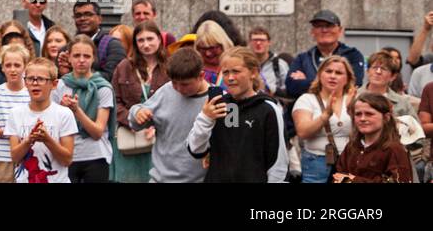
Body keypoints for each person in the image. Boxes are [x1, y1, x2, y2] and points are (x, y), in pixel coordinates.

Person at [187, 47, 280, 183]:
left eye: (236, 71)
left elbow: (278, 162)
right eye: (225, 73)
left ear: (253, 72)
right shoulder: (216, 106)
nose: (230, 78)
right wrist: (205, 118)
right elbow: (195, 149)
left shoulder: (268, 109)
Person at [127, 47, 210, 184]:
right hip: (161, 178)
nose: (178, 89)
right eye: (174, 82)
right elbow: (136, 119)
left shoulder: (214, 100)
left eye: (184, 84)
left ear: (201, 76)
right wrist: (137, 113)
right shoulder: (166, 91)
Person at [111, 20, 167, 183]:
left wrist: (155, 125)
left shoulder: (169, 67)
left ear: (159, 39)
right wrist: (132, 120)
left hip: (160, 138)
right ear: (135, 43)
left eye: (150, 39)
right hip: (130, 136)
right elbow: (115, 102)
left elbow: (176, 102)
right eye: (141, 40)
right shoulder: (124, 67)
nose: (146, 44)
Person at [6, 56, 77, 183]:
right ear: (25, 82)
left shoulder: (64, 114)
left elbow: (67, 160)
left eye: (41, 79)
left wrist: (47, 140)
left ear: (54, 84)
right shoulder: (15, 114)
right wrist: (29, 140)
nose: (35, 83)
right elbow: (15, 157)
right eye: (30, 79)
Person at [54, 35, 114, 183]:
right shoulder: (60, 85)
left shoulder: (103, 87)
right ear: (69, 58)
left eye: (86, 56)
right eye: (76, 55)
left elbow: (97, 132)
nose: (81, 60)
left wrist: (76, 110)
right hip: (67, 155)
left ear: (94, 58)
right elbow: (53, 125)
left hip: (96, 156)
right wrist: (61, 110)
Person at [357, 50, 425, 179]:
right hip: (361, 159)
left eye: (384, 69)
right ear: (367, 71)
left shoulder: (402, 102)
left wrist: (399, 128)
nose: (378, 72)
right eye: (374, 67)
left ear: (393, 76)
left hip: (395, 160)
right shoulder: (354, 97)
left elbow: (417, 134)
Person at [293, 54, 356, 183]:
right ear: (320, 75)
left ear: (347, 79)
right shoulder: (307, 99)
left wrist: (352, 111)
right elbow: (302, 132)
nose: (333, 76)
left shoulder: (353, 99)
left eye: (338, 73)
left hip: (349, 162)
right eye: (328, 71)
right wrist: (325, 116)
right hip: (316, 163)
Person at [333, 93, 414, 183]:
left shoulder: (394, 150)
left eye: (369, 114)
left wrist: (354, 180)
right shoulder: (351, 146)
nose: (362, 118)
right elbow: (338, 176)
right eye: (358, 114)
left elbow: (399, 181)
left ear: (386, 117)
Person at [285, 10, 367, 99]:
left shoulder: (352, 55)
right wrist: (334, 82)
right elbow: (291, 87)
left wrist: (308, 81)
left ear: (340, 30)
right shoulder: (303, 58)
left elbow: (355, 83)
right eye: (319, 26)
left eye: (329, 25)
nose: (324, 30)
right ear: (312, 31)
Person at [0, 43, 29, 182]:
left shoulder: (31, 93)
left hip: (28, 157)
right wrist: (14, 134)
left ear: (25, 67)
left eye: (17, 65)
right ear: (2, 67)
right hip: (1, 158)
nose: (12, 70)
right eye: (8, 65)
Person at [71, 1, 124, 78]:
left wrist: (82, 75)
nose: (83, 18)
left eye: (88, 14)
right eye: (78, 15)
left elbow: (112, 76)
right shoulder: (68, 47)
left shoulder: (113, 46)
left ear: (99, 19)